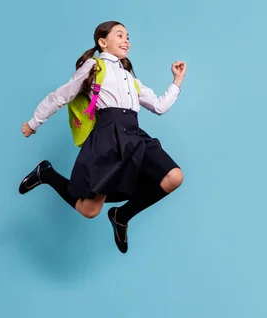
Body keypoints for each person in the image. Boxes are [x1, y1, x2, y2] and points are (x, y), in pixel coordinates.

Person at [18, 20, 186, 253]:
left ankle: (121, 215)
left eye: (127, 36)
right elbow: (61, 96)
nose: (126, 40)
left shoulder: (129, 77)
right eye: (119, 35)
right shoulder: (93, 66)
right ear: (102, 42)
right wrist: (34, 123)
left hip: (135, 136)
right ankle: (46, 174)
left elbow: (158, 106)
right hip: (109, 138)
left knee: (174, 177)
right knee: (89, 210)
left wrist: (177, 81)